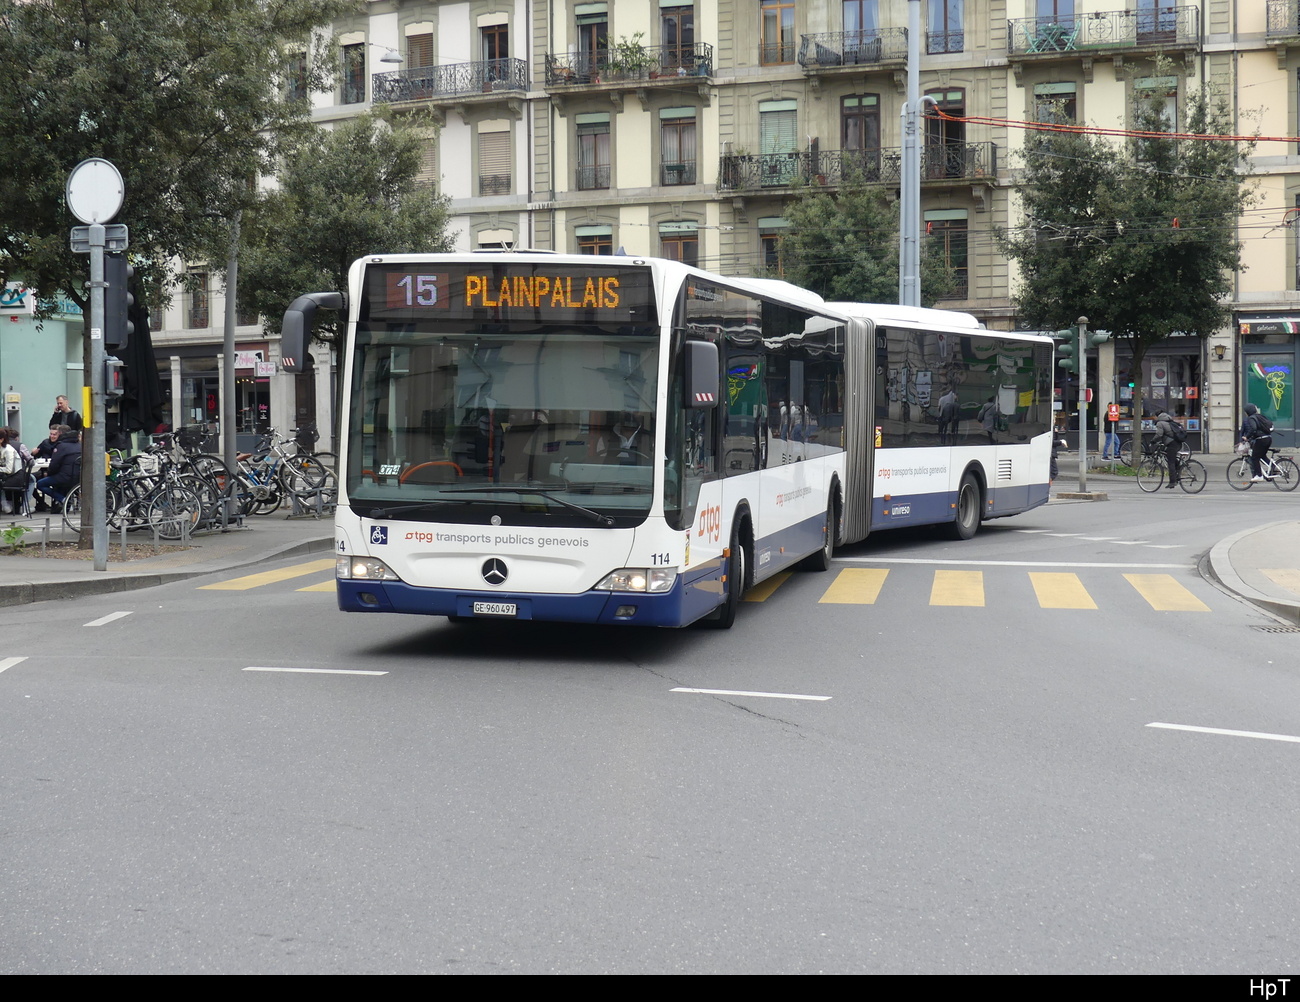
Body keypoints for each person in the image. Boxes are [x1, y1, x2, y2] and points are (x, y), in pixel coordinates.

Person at [35, 425, 81, 512]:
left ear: (60, 434)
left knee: (40, 484)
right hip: (77, 477)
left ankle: (63, 499)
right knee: (60, 483)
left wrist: (49, 474)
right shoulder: (79, 445)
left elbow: (54, 464)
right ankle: (64, 502)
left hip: (64, 476)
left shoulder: (61, 446)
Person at [1238, 402, 1274, 482]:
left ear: (1248, 411)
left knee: (1254, 457)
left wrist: (1246, 437)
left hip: (1261, 439)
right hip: (1268, 438)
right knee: (1262, 456)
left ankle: (1259, 475)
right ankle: (1273, 468)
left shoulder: (1251, 418)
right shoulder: (1260, 416)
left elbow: (1253, 429)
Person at [1154, 411, 1181, 489]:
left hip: (1172, 444)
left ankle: (1172, 482)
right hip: (1178, 443)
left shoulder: (1160, 423)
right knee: (1172, 458)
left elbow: (1159, 434)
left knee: (1171, 462)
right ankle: (1178, 472)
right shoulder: (1170, 421)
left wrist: (1153, 441)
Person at [0, 427, 23, 514]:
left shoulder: (8, 450)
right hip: (6, 476)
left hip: (16, 477)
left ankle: (5, 504)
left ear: (1, 439)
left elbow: (9, 470)